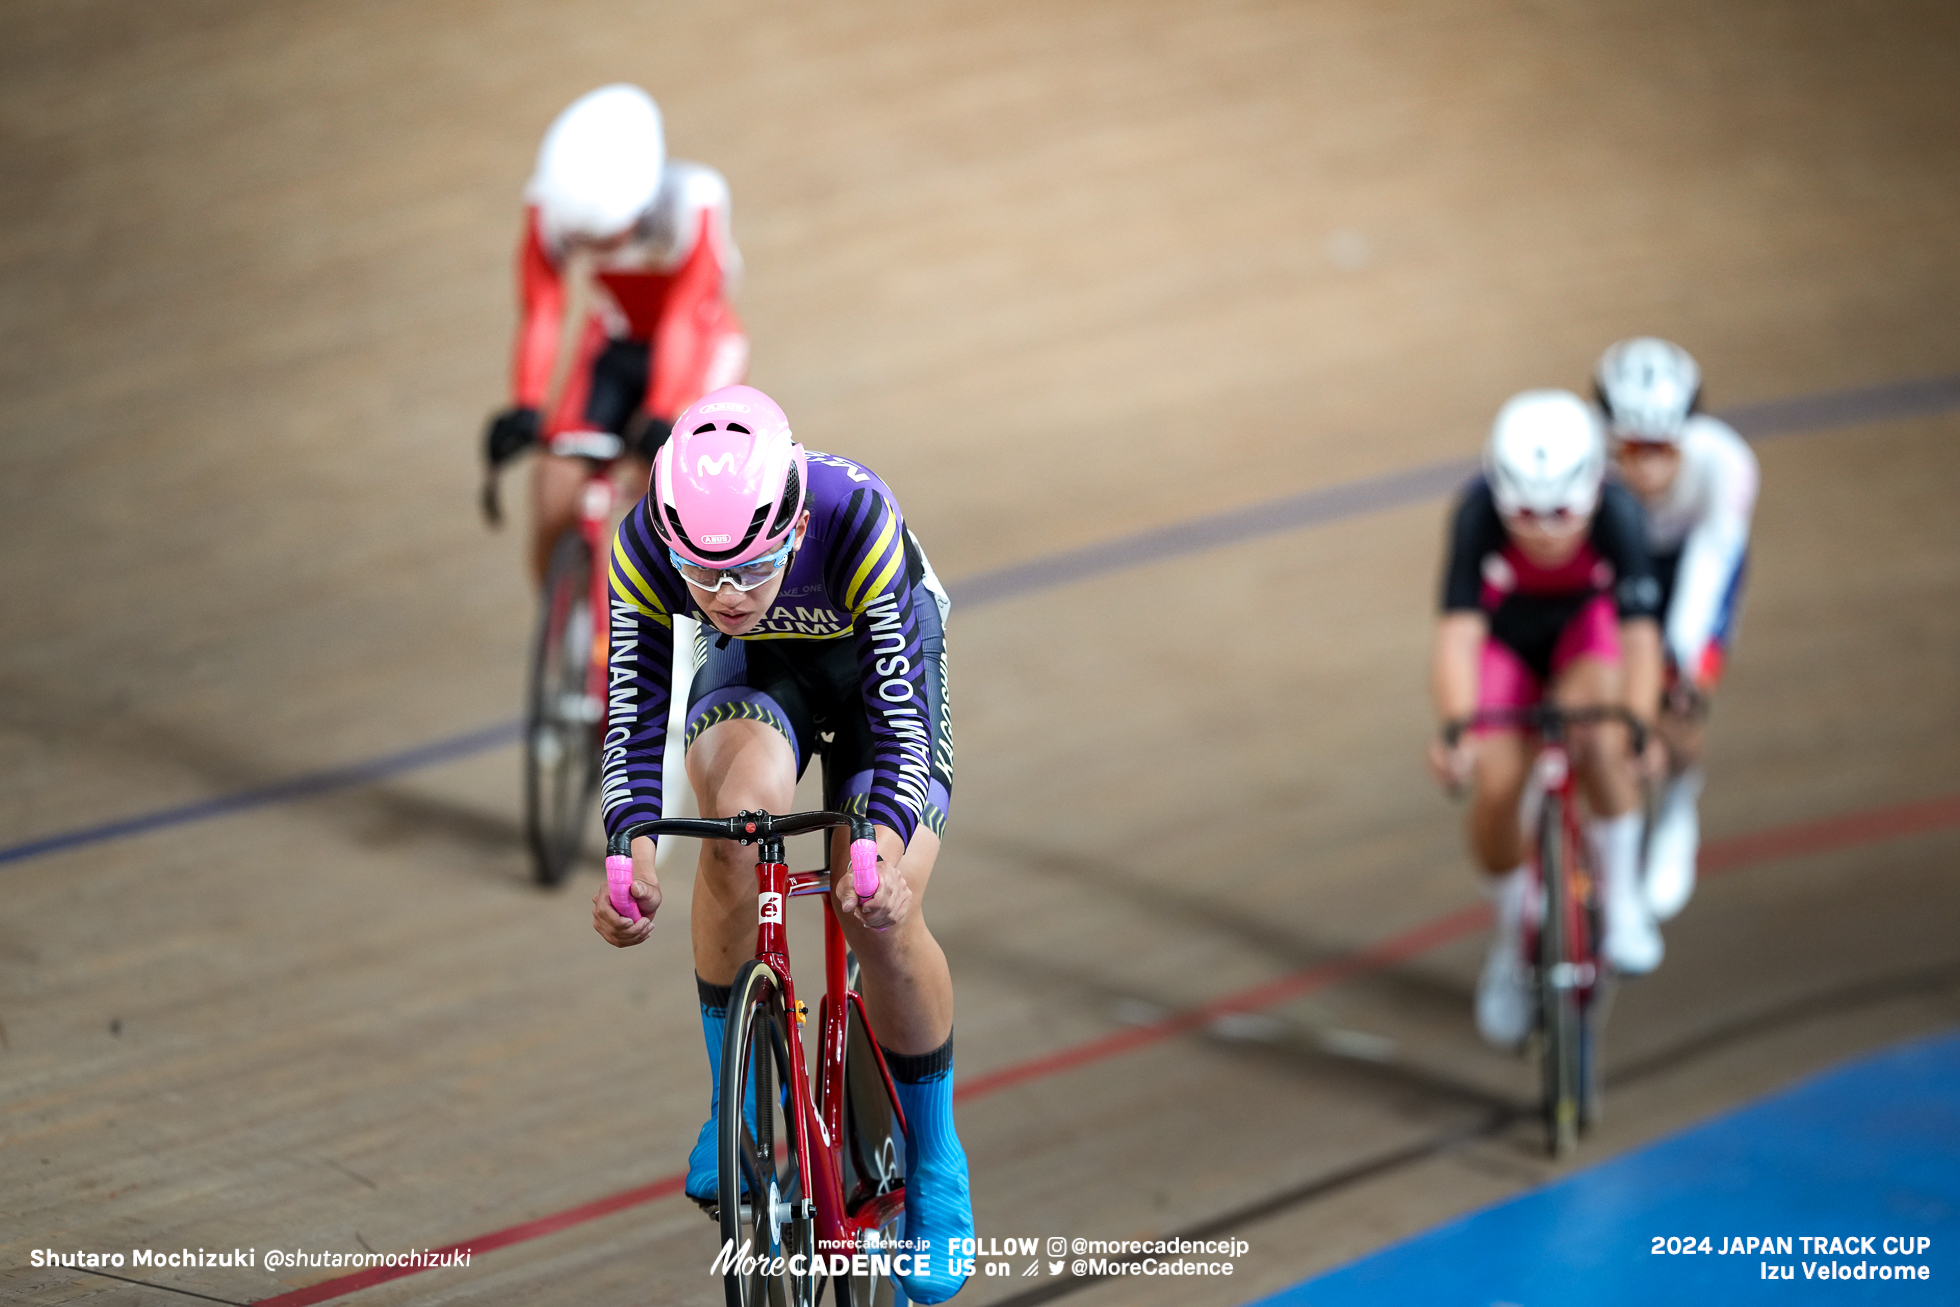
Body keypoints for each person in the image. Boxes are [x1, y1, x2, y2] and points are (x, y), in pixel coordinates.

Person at [589, 384, 971, 1303]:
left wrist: (881, 838)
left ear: (793, 526)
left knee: (881, 906)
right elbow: (632, 713)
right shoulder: (644, 540)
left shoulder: (855, 518)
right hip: (767, 679)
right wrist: (628, 848)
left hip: (879, 676)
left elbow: (900, 720)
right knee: (731, 823)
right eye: (703, 576)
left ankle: (936, 1158)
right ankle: (737, 1097)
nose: (725, 595)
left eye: (750, 572)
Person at [1428, 390, 1666, 1049]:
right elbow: (1458, 635)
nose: (1543, 528)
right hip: (1508, 643)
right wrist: (1457, 729)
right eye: (1525, 513)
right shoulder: (1475, 513)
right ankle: (1512, 944)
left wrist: (1639, 724)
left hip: (1583, 636)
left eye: (1562, 512)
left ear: (1591, 488)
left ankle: (1621, 902)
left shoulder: (1619, 510)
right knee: (1498, 782)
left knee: (1603, 736)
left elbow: (1641, 636)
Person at [480, 84, 749, 582]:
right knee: (555, 482)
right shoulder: (549, 206)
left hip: (700, 348)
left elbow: (686, 315)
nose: (595, 249)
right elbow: (542, 306)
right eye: (584, 242)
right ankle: (564, 628)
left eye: (607, 239)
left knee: (676, 491)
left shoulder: (695, 198)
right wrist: (525, 403)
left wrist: (664, 413)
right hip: (616, 341)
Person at [1595, 338, 1758, 921]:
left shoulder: (1727, 462)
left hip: (1693, 566)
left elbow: (1715, 558)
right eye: (1632, 448)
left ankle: (1679, 803)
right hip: (1618, 561)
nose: (1647, 466)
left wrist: (1681, 658)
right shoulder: (1584, 458)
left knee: (1679, 705)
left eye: (1662, 447)